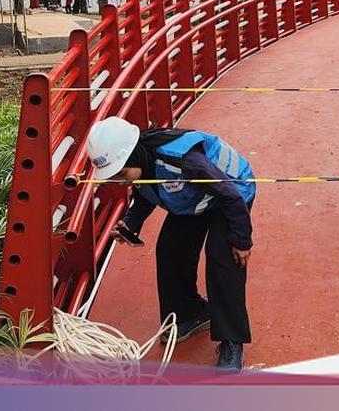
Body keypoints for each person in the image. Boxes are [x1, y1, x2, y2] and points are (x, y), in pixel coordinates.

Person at [85, 117, 255, 372]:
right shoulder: (142, 164)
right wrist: (131, 223)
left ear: (135, 155)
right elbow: (145, 195)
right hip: (194, 199)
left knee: (222, 259)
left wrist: (241, 240)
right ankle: (189, 314)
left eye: (121, 174)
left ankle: (232, 341)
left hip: (231, 196)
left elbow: (230, 196)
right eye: (113, 177)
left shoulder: (183, 159)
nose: (120, 181)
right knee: (170, 250)